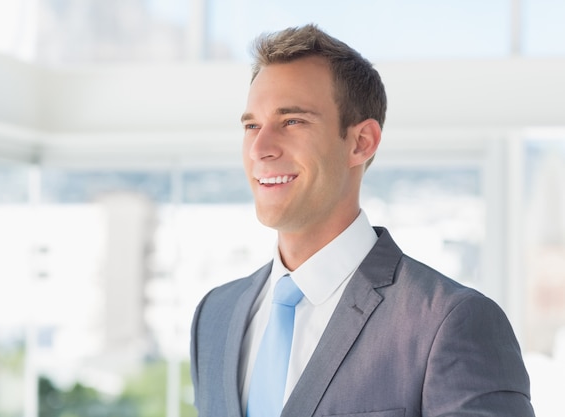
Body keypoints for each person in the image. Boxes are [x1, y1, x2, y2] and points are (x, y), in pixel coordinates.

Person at [190, 24, 535, 417]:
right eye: (251, 125)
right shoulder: (214, 315)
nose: (259, 148)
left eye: (292, 121)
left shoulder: (448, 322)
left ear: (361, 142)